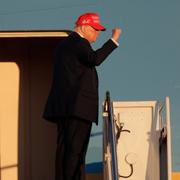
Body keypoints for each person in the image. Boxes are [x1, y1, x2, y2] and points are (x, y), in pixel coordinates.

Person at [43, 12, 122, 180]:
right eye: (95, 29)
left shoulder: (63, 46)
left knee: (65, 149)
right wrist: (113, 40)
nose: (98, 33)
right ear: (85, 27)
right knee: (76, 151)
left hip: (64, 108)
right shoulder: (78, 43)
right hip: (78, 108)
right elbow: (95, 58)